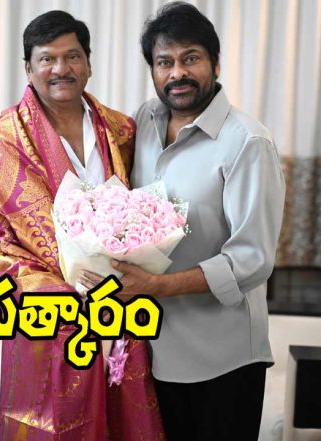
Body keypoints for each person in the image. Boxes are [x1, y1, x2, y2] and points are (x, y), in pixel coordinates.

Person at [80, 3, 285, 440]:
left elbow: (252, 259)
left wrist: (158, 287)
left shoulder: (247, 143)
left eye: (190, 58)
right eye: (164, 62)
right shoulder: (144, 122)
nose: (177, 73)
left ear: (215, 62)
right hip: (149, 350)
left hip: (223, 357)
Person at [0, 10, 164, 441]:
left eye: (72, 57)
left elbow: (138, 208)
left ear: (89, 64)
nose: (61, 69)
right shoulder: (0, 145)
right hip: (48, 315)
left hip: (119, 303)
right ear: (28, 68)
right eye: (47, 59)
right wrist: (65, 290)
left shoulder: (120, 130)